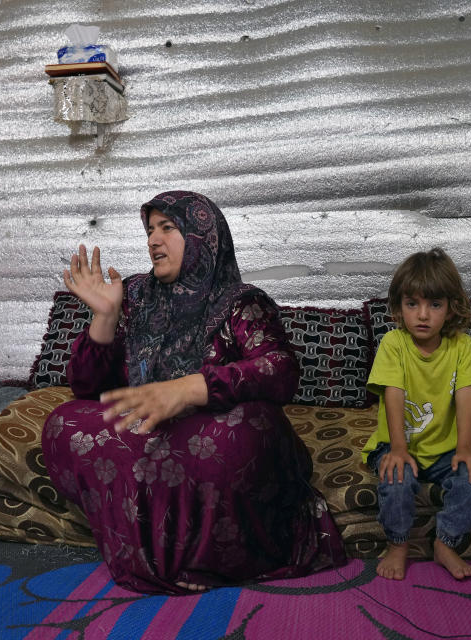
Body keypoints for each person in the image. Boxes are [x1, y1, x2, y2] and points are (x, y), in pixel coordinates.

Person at [42, 191, 347, 595]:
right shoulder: (133, 296)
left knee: (249, 427)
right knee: (65, 422)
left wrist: (193, 388)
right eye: (150, 229)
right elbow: (87, 389)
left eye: (167, 228)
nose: (153, 240)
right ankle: (158, 551)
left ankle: (207, 556)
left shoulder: (239, 302)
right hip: (151, 431)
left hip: (210, 429)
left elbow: (281, 370)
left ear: (202, 236)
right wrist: (105, 318)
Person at [362, 247, 471, 581]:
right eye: (412, 304)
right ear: (398, 307)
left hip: (444, 448)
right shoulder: (394, 344)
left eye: (434, 305)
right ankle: (398, 545)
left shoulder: (463, 347)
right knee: (398, 478)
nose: (423, 315)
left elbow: (466, 397)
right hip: (396, 443)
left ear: (450, 309)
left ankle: (445, 542)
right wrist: (398, 449)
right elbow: (393, 395)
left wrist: (464, 448)